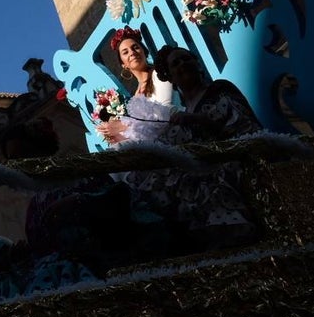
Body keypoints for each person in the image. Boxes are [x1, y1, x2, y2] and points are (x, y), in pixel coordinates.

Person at [127, 44, 263, 251]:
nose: (183, 64)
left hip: (232, 164)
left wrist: (198, 121)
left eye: (186, 59)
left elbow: (244, 128)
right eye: (176, 63)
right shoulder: (179, 116)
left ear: (197, 64)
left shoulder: (219, 90)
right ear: (170, 77)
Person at [97, 27, 174, 146]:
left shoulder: (159, 75)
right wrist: (116, 136)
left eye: (135, 47)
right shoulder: (135, 95)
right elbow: (140, 134)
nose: (132, 53)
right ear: (123, 64)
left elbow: (165, 113)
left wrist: (123, 126)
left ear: (144, 52)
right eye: (125, 52)